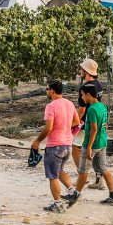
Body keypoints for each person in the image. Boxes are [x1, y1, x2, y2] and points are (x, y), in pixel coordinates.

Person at [62, 82, 113, 207]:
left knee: (83, 171)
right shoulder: (102, 106)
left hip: (92, 144)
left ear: (88, 95)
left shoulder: (92, 110)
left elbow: (94, 129)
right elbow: (105, 125)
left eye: (83, 95)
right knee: (103, 168)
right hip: (102, 142)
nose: (82, 98)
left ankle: (75, 195)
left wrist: (88, 147)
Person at [31, 80, 80, 212]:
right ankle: (72, 192)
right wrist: (64, 127)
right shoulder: (69, 103)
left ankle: (57, 204)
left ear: (52, 91)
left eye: (47, 89)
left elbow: (48, 128)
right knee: (59, 170)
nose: (46, 91)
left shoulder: (51, 106)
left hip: (55, 145)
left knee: (52, 175)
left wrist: (37, 141)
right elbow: (76, 121)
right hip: (67, 144)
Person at [72, 58, 103, 186]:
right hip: (98, 120)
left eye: (82, 69)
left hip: (86, 123)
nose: (80, 71)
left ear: (86, 71)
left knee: (75, 147)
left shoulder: (84, 88)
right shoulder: (99, 85)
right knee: (96, 150)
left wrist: (73, 123)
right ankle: (99, 179)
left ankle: (82, 177)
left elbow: (82, 110)